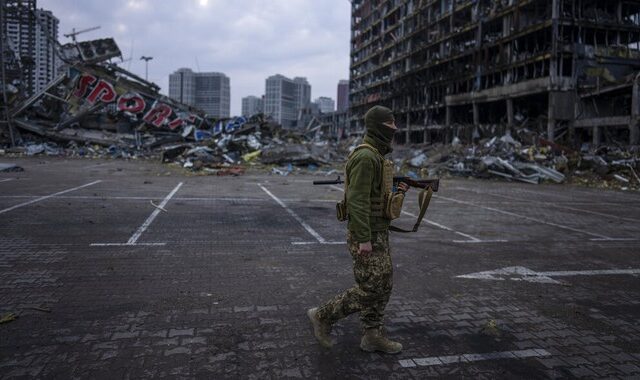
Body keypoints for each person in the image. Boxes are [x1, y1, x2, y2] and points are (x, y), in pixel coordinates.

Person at [307, 105, 409, 354]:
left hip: (378, 231)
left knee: (383, 285)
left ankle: (372, 335)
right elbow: (358, 200)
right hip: (367, 235)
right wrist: (364, 238)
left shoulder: (377, 155)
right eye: (390, 124)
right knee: (371, 287)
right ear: (377, 126)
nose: (394, 129)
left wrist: (397, 192)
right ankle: (323, 315)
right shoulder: (366, 157)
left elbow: (375, 195)